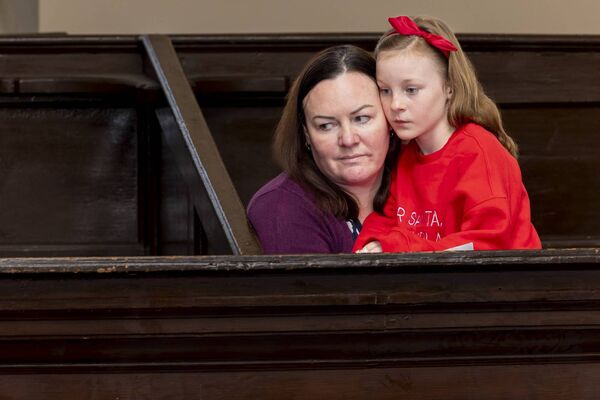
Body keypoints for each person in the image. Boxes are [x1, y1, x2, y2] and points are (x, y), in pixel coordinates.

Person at [354, 16, 541, 253]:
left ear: (449, 87)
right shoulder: (404, 154)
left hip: (504, 285)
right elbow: (385, 220)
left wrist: (397, 247)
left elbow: (486, 245)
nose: (396, 104)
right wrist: (372, 243)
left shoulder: (479, 152)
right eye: (385, 90)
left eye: (411, 90)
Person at [247, 45, 400, 254]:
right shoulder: (282, 206)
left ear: (389, 120)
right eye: (326, 125)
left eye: (361, 118)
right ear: (307, 134)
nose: (348, 139)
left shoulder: (423, 182)